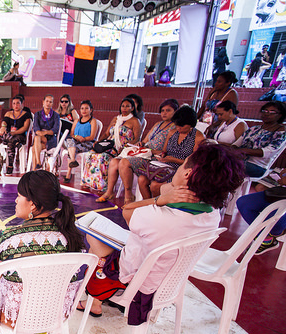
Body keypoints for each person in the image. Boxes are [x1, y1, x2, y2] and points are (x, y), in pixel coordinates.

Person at [77, 144, 245, 318]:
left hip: (139, 283)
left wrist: (159, 200)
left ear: (187, 174)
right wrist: (167, 193)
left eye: (182, 165)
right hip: (169, 280)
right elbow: (165, 189)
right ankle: (99, 298)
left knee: (94, 239)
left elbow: (127, 210)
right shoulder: (212, 214)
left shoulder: (159, 216)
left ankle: (96, 299)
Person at [0, 170, 85, 327]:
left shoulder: (8, 238)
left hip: (14, 319)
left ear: (32, 204)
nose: (15, 200)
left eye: (19, 196)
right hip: (56, 315)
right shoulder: (71, 237)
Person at [95, 99, 179, 203]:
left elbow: (167, 150)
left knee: (124, 162)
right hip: (144, 152)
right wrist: (141, 144)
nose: (164, 113)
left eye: (168, 110)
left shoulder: (175, 128)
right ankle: (109, 192)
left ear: (176, 111)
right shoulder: (158, 124)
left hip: (153, 157)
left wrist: (152, 151)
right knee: (114, 162)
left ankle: (128, 194)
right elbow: (144, 140)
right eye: (162, 110)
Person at [138, 105, 205, 200]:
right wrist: (162, 155)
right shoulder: (172, 132)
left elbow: (194, 163)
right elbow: (164, 151)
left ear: (190, 124)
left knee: (155, 185)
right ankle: (148, 204)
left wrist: (173, 159)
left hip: (182, 169)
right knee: (142, 179)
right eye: (177, 125)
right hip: (165, 165)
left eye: (181, 126)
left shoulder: (198, 137)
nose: (178, 128)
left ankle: (158, 206)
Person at [84, 98, 140, 194]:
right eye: (123, 106)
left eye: (127, 106)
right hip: (109, 145)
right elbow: (106, 134)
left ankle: (103, 186)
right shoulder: (116, 119)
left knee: (103, 157)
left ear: (132, 108)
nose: (124, 108)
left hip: (123, 148)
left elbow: (137, 139)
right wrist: (98, 141)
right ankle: (90, 182)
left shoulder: (135, 121)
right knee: (90, 154)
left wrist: (127, 147)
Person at [225, 101, 286, 178]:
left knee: (224, 165)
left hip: (257, 166)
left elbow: (267, 152)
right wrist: (235, 152)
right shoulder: (254, 129)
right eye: (265, 111)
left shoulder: (281, 133)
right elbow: (236, 144)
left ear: (280, 115)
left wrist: (243, 151)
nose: (266, 114)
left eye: (272, 112)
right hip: (239, 159)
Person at [237, 171, 286, 254]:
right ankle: (265, 238)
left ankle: (277, 232)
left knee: (274, 219)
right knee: (244, 204)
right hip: (281, 192)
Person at [63, 100, 98, 184]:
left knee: (71, 150)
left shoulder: (93, 121)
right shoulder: (76, 121)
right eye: (82, 108)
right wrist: (76, 137)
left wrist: (84, 139)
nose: (84, 110)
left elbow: (92, 136)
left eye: (86, 108)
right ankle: (73, 160)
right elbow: (72, 134)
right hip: (76, 141)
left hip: (87, 143)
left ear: (91, 110)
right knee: (69, 141)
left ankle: (68, 173)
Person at [0, 95, 31, 174]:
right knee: (3, 133)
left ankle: (10, 166)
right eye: (14, 103)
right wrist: (3, 127)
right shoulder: (8, 113)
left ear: (21, 104)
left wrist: (14, 133)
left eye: (18, 103)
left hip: (20, 136)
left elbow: (25, 128)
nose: (16, 105)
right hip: (9, 135)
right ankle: (16, 144)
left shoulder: (26, 114)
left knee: (10, 142)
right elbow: (4, 122)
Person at [31, 95, 60, 170]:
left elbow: (55, 130)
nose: (48, 103)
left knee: (35, 144)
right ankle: (38, 164)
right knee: (36, 144)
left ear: (52, 104)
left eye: (50, 102)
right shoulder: (38, 114)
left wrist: (44, 132)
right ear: (43, 102)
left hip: (50, 139)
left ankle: (36, 167)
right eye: (47, 101)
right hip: (40, 140)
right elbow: (36, 128)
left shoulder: (56, 115)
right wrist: (40, 133)